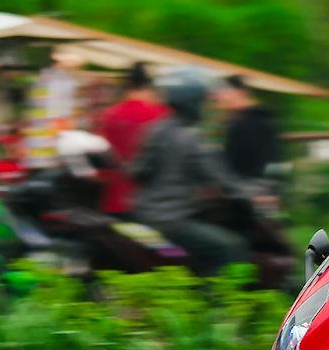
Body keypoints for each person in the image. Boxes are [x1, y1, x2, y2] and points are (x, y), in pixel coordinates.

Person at [131, 69, 251, 274]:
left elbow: (136, 171)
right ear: (191, 101)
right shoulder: (191, 138)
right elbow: (220, 178)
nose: (206, 107)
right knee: (232, 247)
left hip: (145, 215)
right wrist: (250, 193)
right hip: (172, 221)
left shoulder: (155, 130)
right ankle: (221, 303)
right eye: (203, 101)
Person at [96, 62, 169, 214]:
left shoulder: (109, 114)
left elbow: (102, 153)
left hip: (115, 198)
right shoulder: (163, 115)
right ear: (150, 89)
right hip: (151, 201)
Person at [212, 74, 281, 181]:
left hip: (253, 191)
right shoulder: (231, 123)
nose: (220, 98)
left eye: (224, 92)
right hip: (234, 189)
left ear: (241, 92)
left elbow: (273, 158)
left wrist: (271, 187)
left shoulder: (260, 122)